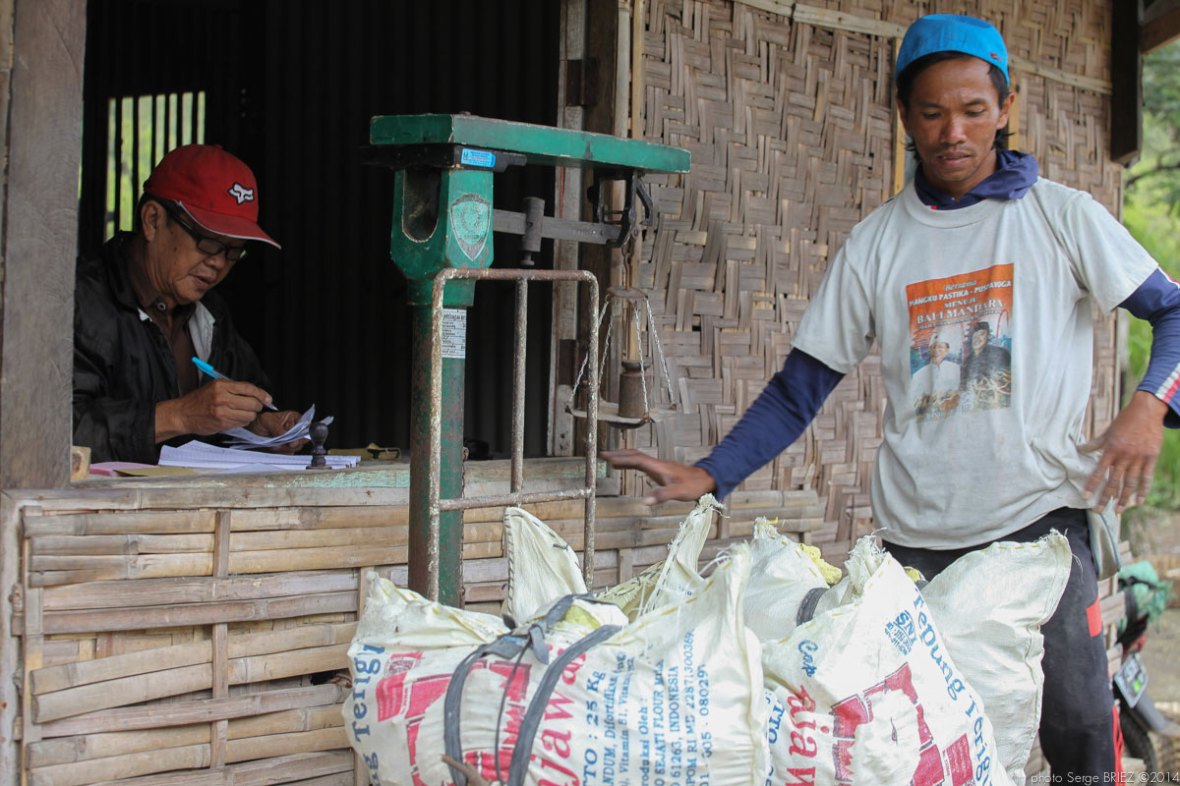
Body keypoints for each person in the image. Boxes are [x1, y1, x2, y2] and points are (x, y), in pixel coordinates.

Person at [603, 14, 1180, 781]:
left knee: (1075, 720)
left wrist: (1150, 407)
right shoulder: (879, 244)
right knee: (909, 735)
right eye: (933, 112)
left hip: (1040, 525)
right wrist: (713, 473)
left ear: (1006, 108)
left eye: (974, 110)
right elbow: (801, 385)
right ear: (904, 115)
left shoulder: (1062, 217)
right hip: (914, 542)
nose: (954, 132)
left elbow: (1173, 310)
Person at [74, 143, 305, 464]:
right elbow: (51, 431)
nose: (219, 264)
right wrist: (180, 415)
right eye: (208, 242)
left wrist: (256, 426)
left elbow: (244, 395)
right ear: (153, 220)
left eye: (233, 251)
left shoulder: (209, 313)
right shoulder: (79, 302)